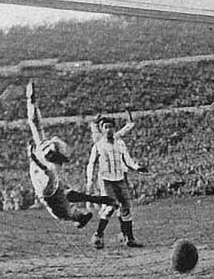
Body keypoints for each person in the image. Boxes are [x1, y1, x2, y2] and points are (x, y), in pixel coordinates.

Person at [26, 80, 118, 228]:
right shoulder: (60, 197)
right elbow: (74, 196)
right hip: (43, 159)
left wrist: (33, 157)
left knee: (37, 126)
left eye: (79, 214)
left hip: (43, 162)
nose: (78, 210)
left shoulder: (58, 204)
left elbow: (52, 177)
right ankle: (31, 102)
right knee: (36, 125)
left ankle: (31, 103)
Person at [86, 116, 148, 249]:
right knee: (110, 207)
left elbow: (127, 159)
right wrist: (90, 181)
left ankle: (129, 239)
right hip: (106, 180)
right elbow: (91, 163)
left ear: (114, 128)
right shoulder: (98, 145)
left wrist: (137, 168)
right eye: (105, 127)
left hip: (120, 179)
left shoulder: (120, 143)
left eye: (111, 127)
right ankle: (98, 235)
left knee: (126, 208)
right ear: (102, 130)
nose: (108, 130)